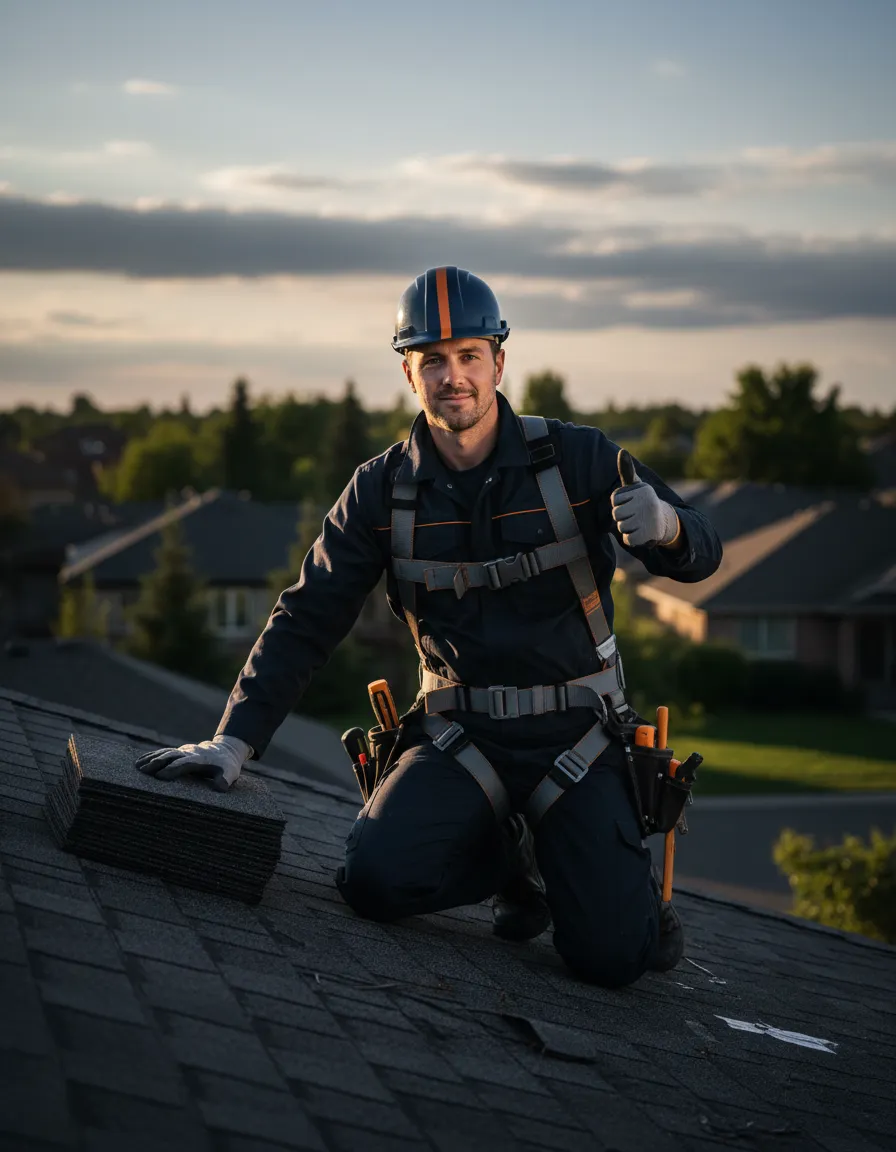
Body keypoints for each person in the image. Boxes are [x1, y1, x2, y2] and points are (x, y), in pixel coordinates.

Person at [137, 267, 723, 988]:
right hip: (459, 737)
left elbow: (701, 555)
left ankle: (598, 887)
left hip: (578, 735)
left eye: (470, 356)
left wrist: (668, 530)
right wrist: (235, 740)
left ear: (499, 362)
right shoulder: (381, 491)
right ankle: (510, 859)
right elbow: (307, 615)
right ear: (409, 373)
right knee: (374, 882)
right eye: (433, 361)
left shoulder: (578, 459)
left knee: (611, 959)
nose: (455, 377)